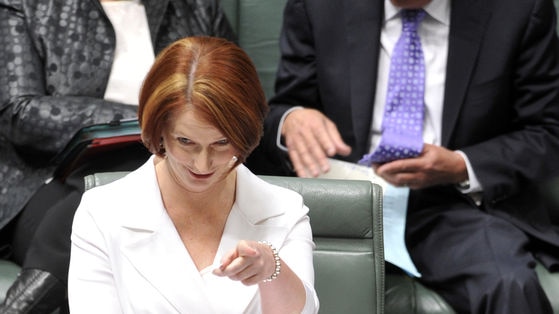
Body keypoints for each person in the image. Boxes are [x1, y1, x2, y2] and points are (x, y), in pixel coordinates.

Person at [246, 0, 559, 313]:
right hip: (342, 199)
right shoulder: (319, 6)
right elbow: (280, 110)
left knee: (509, 285)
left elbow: (547, 132)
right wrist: (292, 119)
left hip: (450, 207)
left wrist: (461, 165)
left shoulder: (517, 10)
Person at [0, 0, 235, 312]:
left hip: (177, 174)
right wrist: (148, 120)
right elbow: (19, 111)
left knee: (132, 195)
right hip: (52, 177)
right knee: (111, 205)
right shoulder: (27, 5)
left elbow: (235, 106)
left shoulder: (197, 8)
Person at [67, 35, 319, 314]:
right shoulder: (102, 212)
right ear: (160, 131)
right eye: (185, 142)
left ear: (245, 134)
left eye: (221, 143)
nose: (202, 164)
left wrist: (271, 269)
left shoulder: (283, 210)